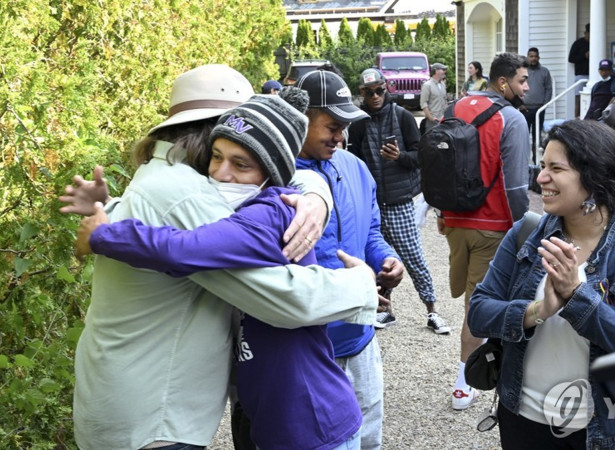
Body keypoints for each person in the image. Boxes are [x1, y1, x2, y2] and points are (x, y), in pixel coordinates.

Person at [59, 64, 379, 449]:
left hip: (127, 404)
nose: (224, 171)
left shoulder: (160, 176)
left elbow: (284, 175)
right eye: (220, 153)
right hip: (154, 419)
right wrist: (361, 284)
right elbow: (286, 300)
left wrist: (314, 194)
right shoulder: (190, 195)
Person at [468, 120, 615, 449]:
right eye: (542, 166)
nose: (541, 178)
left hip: (606, 431)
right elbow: (479, 313)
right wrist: (537, 310)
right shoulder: (527, 234)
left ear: (594, 178)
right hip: (523, 418)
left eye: (556, 168)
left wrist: (576, 298)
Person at [296, 69, 405, 449]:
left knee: (369, 438)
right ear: (301, 119)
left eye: (344, 126)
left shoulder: (355, 167)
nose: (340, 137)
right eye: (331, 126)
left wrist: (387, 260)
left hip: (362, 337)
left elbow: (371, 232)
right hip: (309, 348)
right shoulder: (277, 179)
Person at [438, 52, 530, 411]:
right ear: (503, 82)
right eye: (522, 80)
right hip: (492, 227)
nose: (526, 87)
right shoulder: (512, 119)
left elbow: (440, 165)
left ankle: (481, 374)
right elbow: (516, 188)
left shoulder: (454, 108)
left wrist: (442, 212)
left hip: (455, 222)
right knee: (478, 308)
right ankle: (465, 383)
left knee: (470, 300)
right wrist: (525, 231)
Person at [348, 68, 450, 333]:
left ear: (386, 89)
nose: (375, 96)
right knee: (379, 262)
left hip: (400, 200)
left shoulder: (403, 116)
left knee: (414, 258)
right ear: (361, 94)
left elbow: (420, 156)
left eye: (379, 90)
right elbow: (355, 161)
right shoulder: (358, 123)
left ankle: (432, 311)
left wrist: (399, 157)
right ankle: (385, 311)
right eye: (368, 92)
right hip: (372, 204)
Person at [521, 47, 553, 162]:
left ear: (538, 57)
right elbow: (516, 86)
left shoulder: (544, 71)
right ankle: (524, 160)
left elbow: (549, 88)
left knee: (537, 137)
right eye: (531, 56)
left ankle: (535, 161)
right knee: (523, 135)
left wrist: (545, 104)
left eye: (535, 56)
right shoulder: (522, 70)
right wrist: (519, 103)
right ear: (527, 57)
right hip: (524, 109)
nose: (533, 58)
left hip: (539, 109)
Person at [568, 23, 590, 118]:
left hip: (594, 75)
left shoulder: (596, 42)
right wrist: (584, 56)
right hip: (581, 75)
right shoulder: (578, 43)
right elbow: (571, 58)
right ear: (585, 33)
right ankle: (577, 118)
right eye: (589, 33)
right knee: (579, 99)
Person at [421, 62, 448, 132]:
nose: (444, 72)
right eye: (443, 70)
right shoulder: (427, 85)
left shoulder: (442, 84)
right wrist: (431, 117)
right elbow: (423, 103)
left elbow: (445, 100)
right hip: (432, 121)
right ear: (436, 71)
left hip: (443, 119)